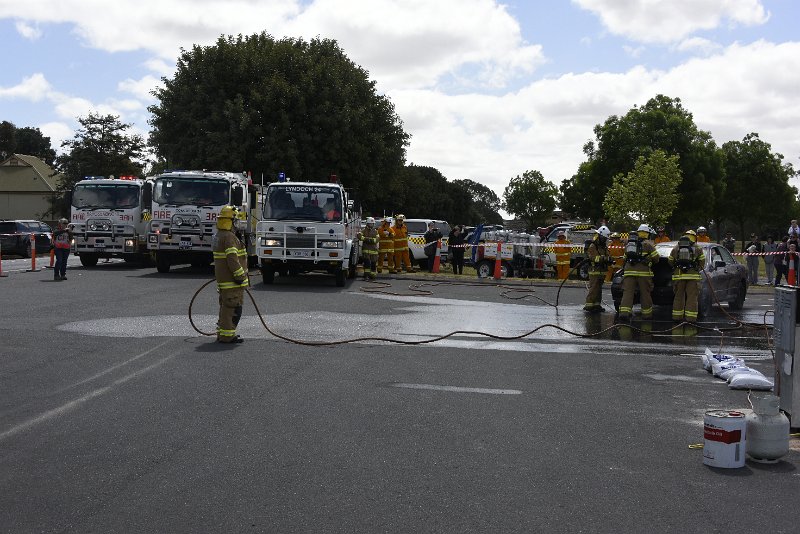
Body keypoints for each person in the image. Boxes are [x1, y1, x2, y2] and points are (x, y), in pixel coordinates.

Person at [212, 206, 249, 344]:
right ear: (231, 221)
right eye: (236, 220)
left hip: (224, 280)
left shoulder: (219, 235)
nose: (238, 224)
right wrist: (240, 276)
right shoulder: (229, 237)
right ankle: (227, 336)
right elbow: (232, 259)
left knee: (226, 307)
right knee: (233, 308)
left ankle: (223, 334)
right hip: (232, 281)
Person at [618, 224, 660, 321]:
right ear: (647, 234)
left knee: (627, 293)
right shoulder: (648, 244)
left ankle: (624, 313)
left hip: (629, 272)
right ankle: (647, 315)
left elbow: (625, 258)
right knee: (645, 293)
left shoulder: (629, 244)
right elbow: (656, 259)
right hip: (643, 274)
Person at [668, 230, 705, 323]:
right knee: (692, 298)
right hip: (693, 277)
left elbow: (670, 261)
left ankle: (677, 317)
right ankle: (691, 319)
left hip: (679, 277)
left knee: (678, 297)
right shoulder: (698, 248)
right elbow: (702, 263)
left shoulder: (676, 248)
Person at [583, 225, 611, 312]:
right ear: (600, 236)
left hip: (602, 271)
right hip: (594, 270)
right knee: (594, 288)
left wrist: (609, 259)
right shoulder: (593, 246)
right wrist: (604, 259)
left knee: (599, 290)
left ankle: (597, 305)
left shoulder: (604, 247)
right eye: (604, 238)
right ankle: (589, 305)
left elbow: (607, 255)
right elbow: (593, 258)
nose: (605, 240)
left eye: (606, 238)